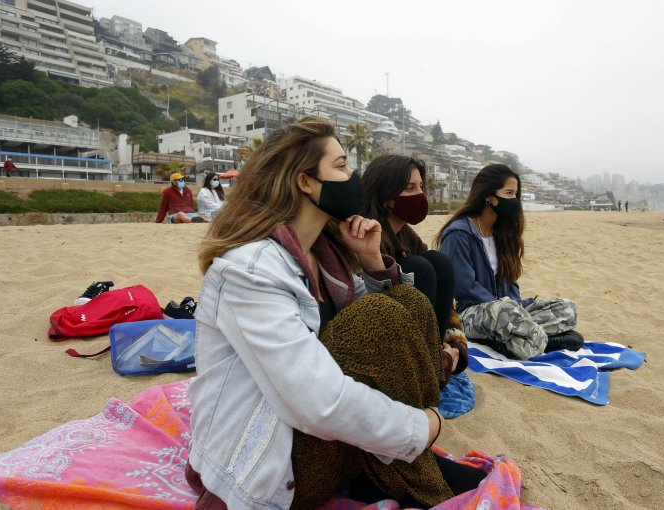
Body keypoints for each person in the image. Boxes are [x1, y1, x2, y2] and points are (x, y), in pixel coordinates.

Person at [187, 117, 485, 510]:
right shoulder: (250, 270)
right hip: (273, 462)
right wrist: (422, 427)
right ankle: (409, 468)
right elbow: (317, 402)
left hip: (320, 441)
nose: (353, 177)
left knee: (406, 302)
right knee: (379, 315)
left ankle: (395, 466)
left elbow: (391, 331)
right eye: (342, 166)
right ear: (305, 181)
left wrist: (371, 260)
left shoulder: (325, 251)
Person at [437, 164, 581, 361]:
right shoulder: (459, 234)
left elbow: (510, 281)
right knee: (505, 311)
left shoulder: (502, 232)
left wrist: (518, 308)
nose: (514, 199)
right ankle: (545, 342)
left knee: (567, 309)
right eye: (509, 193)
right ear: (489, 195)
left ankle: (516, 336)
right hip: (469, 314)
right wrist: (507, 308)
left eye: (516, 194)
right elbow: (464, 288)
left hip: (503, 311)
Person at [360, 154, 466, 383]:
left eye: (420, 187)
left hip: (421, 337)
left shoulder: (407, 236)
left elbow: (444, 293)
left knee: (439, 262)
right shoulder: (367, 234)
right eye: (409, 188)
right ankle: (426, 364)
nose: (419, 195)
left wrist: (456, 342)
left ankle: (434, 352)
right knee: (421, 267)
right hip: (384, 341)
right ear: (385, 195)